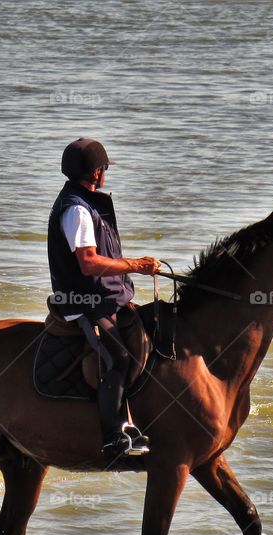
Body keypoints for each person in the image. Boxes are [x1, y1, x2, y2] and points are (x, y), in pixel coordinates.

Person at [47, 137, 161, 458]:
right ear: (96, 172)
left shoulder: (90, 202)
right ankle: (114, 436)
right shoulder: (77, 211)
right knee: (118, 357)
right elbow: (88, 263)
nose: (105, 173)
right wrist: (137, 266)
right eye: (104, 168)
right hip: (82, 301)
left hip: (106, 297)